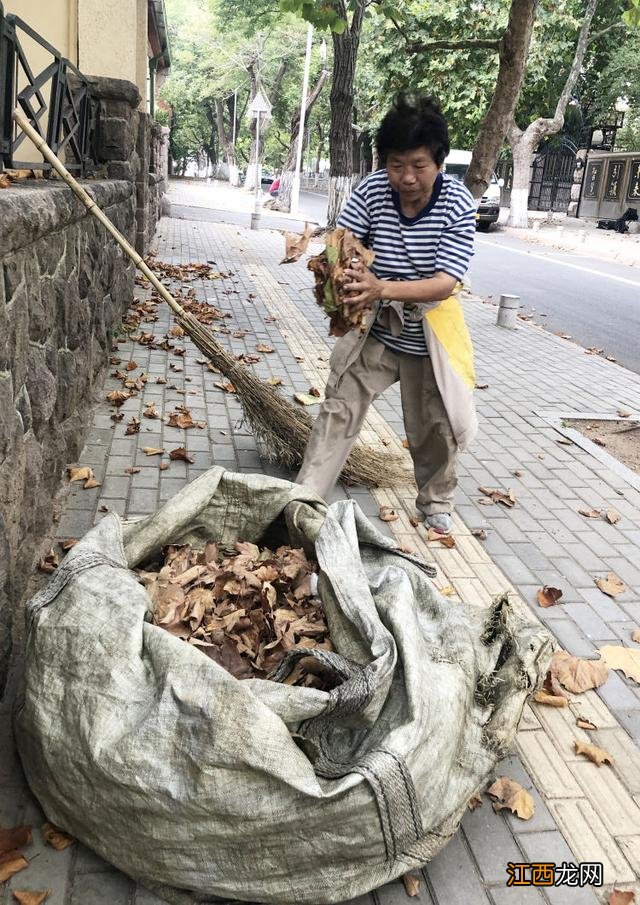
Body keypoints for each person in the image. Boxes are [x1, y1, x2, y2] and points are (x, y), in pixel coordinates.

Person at [296, 93, 478, 535]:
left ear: (438, 160)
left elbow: (446, 281)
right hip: (375, 328)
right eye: (397, 165)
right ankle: (304, 499)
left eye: (418, 165)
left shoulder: (458, 203)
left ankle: (435, 501)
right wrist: (342, 274)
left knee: (435, 426)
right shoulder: (373, 190)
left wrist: (382, 287)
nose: (407, 178)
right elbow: (345, 241)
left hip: (428, 331)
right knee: (339, 406)